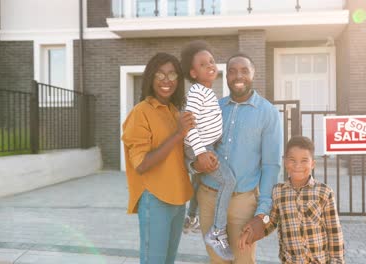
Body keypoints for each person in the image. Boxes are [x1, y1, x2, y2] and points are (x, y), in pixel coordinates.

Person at [190, 52, 283, 263]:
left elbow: (270, 166)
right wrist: (195, 164)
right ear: (226, 76)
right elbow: (197, 149)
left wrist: (262, 214)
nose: (237, 76)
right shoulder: (214, 107)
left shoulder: (268, 112)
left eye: (244, 71)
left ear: (253, 74)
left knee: (243, 260)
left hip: (243, 203)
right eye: (232, 71)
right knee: (217, 261)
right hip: (208, 199)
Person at [121, 52, 195, 264]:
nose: (166, 80)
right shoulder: (141, 112)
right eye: (160, 74)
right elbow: (142, 164)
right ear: (150, 78)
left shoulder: (174, 111)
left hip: (178, 199)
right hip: (155, 200)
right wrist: (179, 134)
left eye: (172, 75)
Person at [239, 136, 345, 264]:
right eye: (292, 160)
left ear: (313, 164)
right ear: (285, 162)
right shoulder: (278, 192)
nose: (297, 165)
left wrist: (337, 261)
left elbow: (334, 232)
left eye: (304, 160)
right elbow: (271, 222)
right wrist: (253, 232)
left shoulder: (324, 192)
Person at [180, 40, 236, 261]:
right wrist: (201, 152)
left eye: (211, 61)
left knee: (199, 182)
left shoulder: (208, 92)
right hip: (199, 147)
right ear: (193, 72)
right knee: (228, 181)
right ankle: (217, 231)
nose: (210, 65)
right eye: (203, 64)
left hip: (206, 145)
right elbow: (190, 124)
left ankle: (191, 217)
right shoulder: (197, 92)